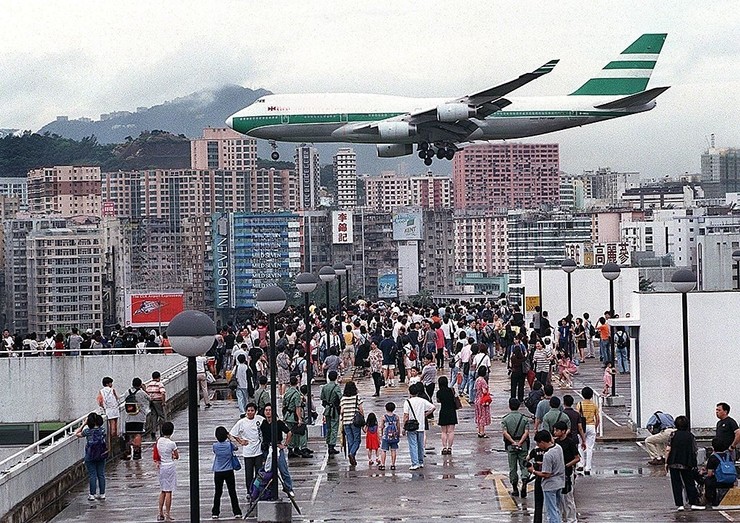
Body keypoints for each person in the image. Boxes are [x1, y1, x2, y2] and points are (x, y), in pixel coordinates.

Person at [665, 415, 704, 511]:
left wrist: (666, 462)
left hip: (674, 461)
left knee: (676, 483)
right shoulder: (690, 436)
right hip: (687, 462)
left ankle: (679, 505)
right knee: (689, 482)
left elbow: (668, 449)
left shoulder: (673, 435)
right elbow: (695, 450)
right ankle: (693, 503)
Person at [528, 430, 565, 523]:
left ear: (542, 442)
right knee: (557, 509)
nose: (538, 446)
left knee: (551, 511)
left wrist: (533, 471)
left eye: (538, 443)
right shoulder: (558, 448)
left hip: (550, 485)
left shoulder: (548, 455)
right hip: (560, 482)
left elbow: (546, 474)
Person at [260, 404, 294, 497]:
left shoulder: (278, 423)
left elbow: (289, 432)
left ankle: (288, 488)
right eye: (266, 410)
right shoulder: (263, 423)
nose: (268, 412)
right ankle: (269, 489)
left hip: (278, 448)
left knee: (283, 469)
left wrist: (285, 444)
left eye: (270, 410)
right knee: (267, 471)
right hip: (267, 449)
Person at [230, 402, 265, 492]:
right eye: (248, 411)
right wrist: (240, 441)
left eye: (252, 411)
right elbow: (232, 433)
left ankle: (258, 490)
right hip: (248, 452)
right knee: (249, 474)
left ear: (255, 411)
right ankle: (249, 491)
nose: (250, 412)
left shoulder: (260, 419)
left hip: (258, 452)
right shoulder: (241, 422)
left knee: (259, 473)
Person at [211, 426, 242, 520]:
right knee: (232, 491)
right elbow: (236, 448)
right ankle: (237, 511)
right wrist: (230, 437)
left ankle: (215, 512)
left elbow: (215, 452)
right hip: (229, 470)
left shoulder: (215, 446)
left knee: (218, 492)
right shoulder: (229, 445)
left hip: (218, 471)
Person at [402, 382, 435, 470]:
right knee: (420, 445)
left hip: (411, 426)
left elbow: (406, 415)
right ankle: (420, 462)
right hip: (421, 425)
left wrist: (403, 427)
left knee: (413, 444)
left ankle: (414, 463)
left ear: (410, 392)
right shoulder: (422, 401)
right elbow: (433, 407)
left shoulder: (407, 402)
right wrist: (426, 414)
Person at [75, 412, 107, 501]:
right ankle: (102, 494)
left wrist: (83, 424)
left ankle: (92, 494)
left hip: (90, 455)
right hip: (101, 454)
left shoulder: (87, 431)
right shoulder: (102, 430)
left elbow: (77, 434)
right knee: (101, 474)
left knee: (93, 475)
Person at [502, 398, 530, 498]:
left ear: (510, 406)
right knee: (524, 464)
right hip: (523, 445)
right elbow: (526, 432)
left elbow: (505, 432)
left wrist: (513, 442)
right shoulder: (524, 419)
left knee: (512, 467)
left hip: (511, 445)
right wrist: (520, 442)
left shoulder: (505, 419)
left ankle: (514, 488)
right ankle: (525, 479)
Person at [553, 421, 580, 523]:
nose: (555, 432)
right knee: (558, 498)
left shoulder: (570, 442)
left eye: (557, 430)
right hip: (557, 474)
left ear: (563, 431)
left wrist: (566, 465)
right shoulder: (555, 443)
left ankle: (571, 519)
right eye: (554, 430)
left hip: (568, 473)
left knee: (568, 497)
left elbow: (577, 458)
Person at [154, 421, 179, 522]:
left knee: (163, 490)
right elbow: (176, 456)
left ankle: (160, 512)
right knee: (169, 491)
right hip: (170, 466)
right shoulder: (172, 443)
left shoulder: (159, 441)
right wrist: (173, 456)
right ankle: (167, 513)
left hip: (162, 466)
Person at [123, 377, 151, 460]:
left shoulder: (126, 392)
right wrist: (144, 389)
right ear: (140, 384)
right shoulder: (141, 393)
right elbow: (149, 399)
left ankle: (127, 453)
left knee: (129, 435)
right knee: (138, 434)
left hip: (128, 417)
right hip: (139, 417)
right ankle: (136, 453)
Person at [283, 375, 310, 458]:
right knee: (302, 432)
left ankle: (291, 449)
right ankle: (303, 449)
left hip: (287, 415)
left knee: (291, 433)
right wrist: (299, 418)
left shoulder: (287, 392)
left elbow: (284, 404)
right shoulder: (296, 394)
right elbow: (297, 407)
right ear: (297, 382)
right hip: (294, 416)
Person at [705, 437, 736, 507]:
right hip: (730, 482)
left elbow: (709, 474)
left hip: (719, 482)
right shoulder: (729, 456)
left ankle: (710, 500)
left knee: (708, 480)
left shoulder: (713, 457)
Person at [340, 380, 364, 467]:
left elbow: (342, 411)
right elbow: (361, 410)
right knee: (357, 440)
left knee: (350, 440)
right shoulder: (357, 398)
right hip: (355, 422)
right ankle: (352, 453)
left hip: (346, 422)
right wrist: (363, 419)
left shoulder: (343, 399)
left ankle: (352, 456)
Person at [576, 387, 599, 475]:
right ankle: (588, 467)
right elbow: (597, 419)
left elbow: (578, 417)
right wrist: (595, 428)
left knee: (580, 445)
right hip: (591, 426)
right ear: (591, 395)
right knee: (590, 448)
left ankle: (581, 463)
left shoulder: (580, 404)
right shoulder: (594, 405)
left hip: (582, 427)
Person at [320, 370, 342, 456]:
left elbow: (322, 398)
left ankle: (328, 443)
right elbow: (340, 397)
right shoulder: (336, 387)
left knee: (328, 427)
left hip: (327, 409)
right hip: (334, 410)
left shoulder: (324, 387)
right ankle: (332, 446)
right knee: (334, 428)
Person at [436, 376, 458, 455]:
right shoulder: (451, 390)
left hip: (443, 411)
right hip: (452, 411)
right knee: (451, 431)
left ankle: (444, 447)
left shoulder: (439, 392)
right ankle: (450, 448)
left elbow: (438, 401)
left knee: (443, 431)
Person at [96, 377, 119, 452]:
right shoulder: (112, 390)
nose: (111, 384)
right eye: (110, 383)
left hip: (108, 410)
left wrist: (104, 407)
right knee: (115, 425)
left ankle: (111, 442)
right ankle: (115, 441)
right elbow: (117, 398)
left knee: (111, 425)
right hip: (115, 408)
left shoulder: (101, 391)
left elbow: (99, 401)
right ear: (108, 383)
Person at [378, 402, 400, 471]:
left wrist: (380, 435)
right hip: (394, 436)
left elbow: (381, 427)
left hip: (386, 437)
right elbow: (398, 427)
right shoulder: (396, 417)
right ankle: (393, 464)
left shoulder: (384, 417)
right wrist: (398, 434)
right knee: (393, 450)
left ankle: (383, 465)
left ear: (386, 408)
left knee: (384, 450)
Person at [146, 371, 167, 440]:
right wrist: (163, 402)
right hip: (158, 401)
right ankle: (162, 432)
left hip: (151, 401)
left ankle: (153, 432)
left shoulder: (149, 384)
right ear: (158, 377)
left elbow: (147, 392)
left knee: (154, 417)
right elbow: (163, 393)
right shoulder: (159, 384)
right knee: (162, 416)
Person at [474, 365, 491, 438]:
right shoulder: (483, 381)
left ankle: (479, 431)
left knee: (479, 415)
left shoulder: (477, 380)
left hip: (477, 399)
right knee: (483, 416)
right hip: (483, 400)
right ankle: (482, 432)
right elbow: (484, 391)